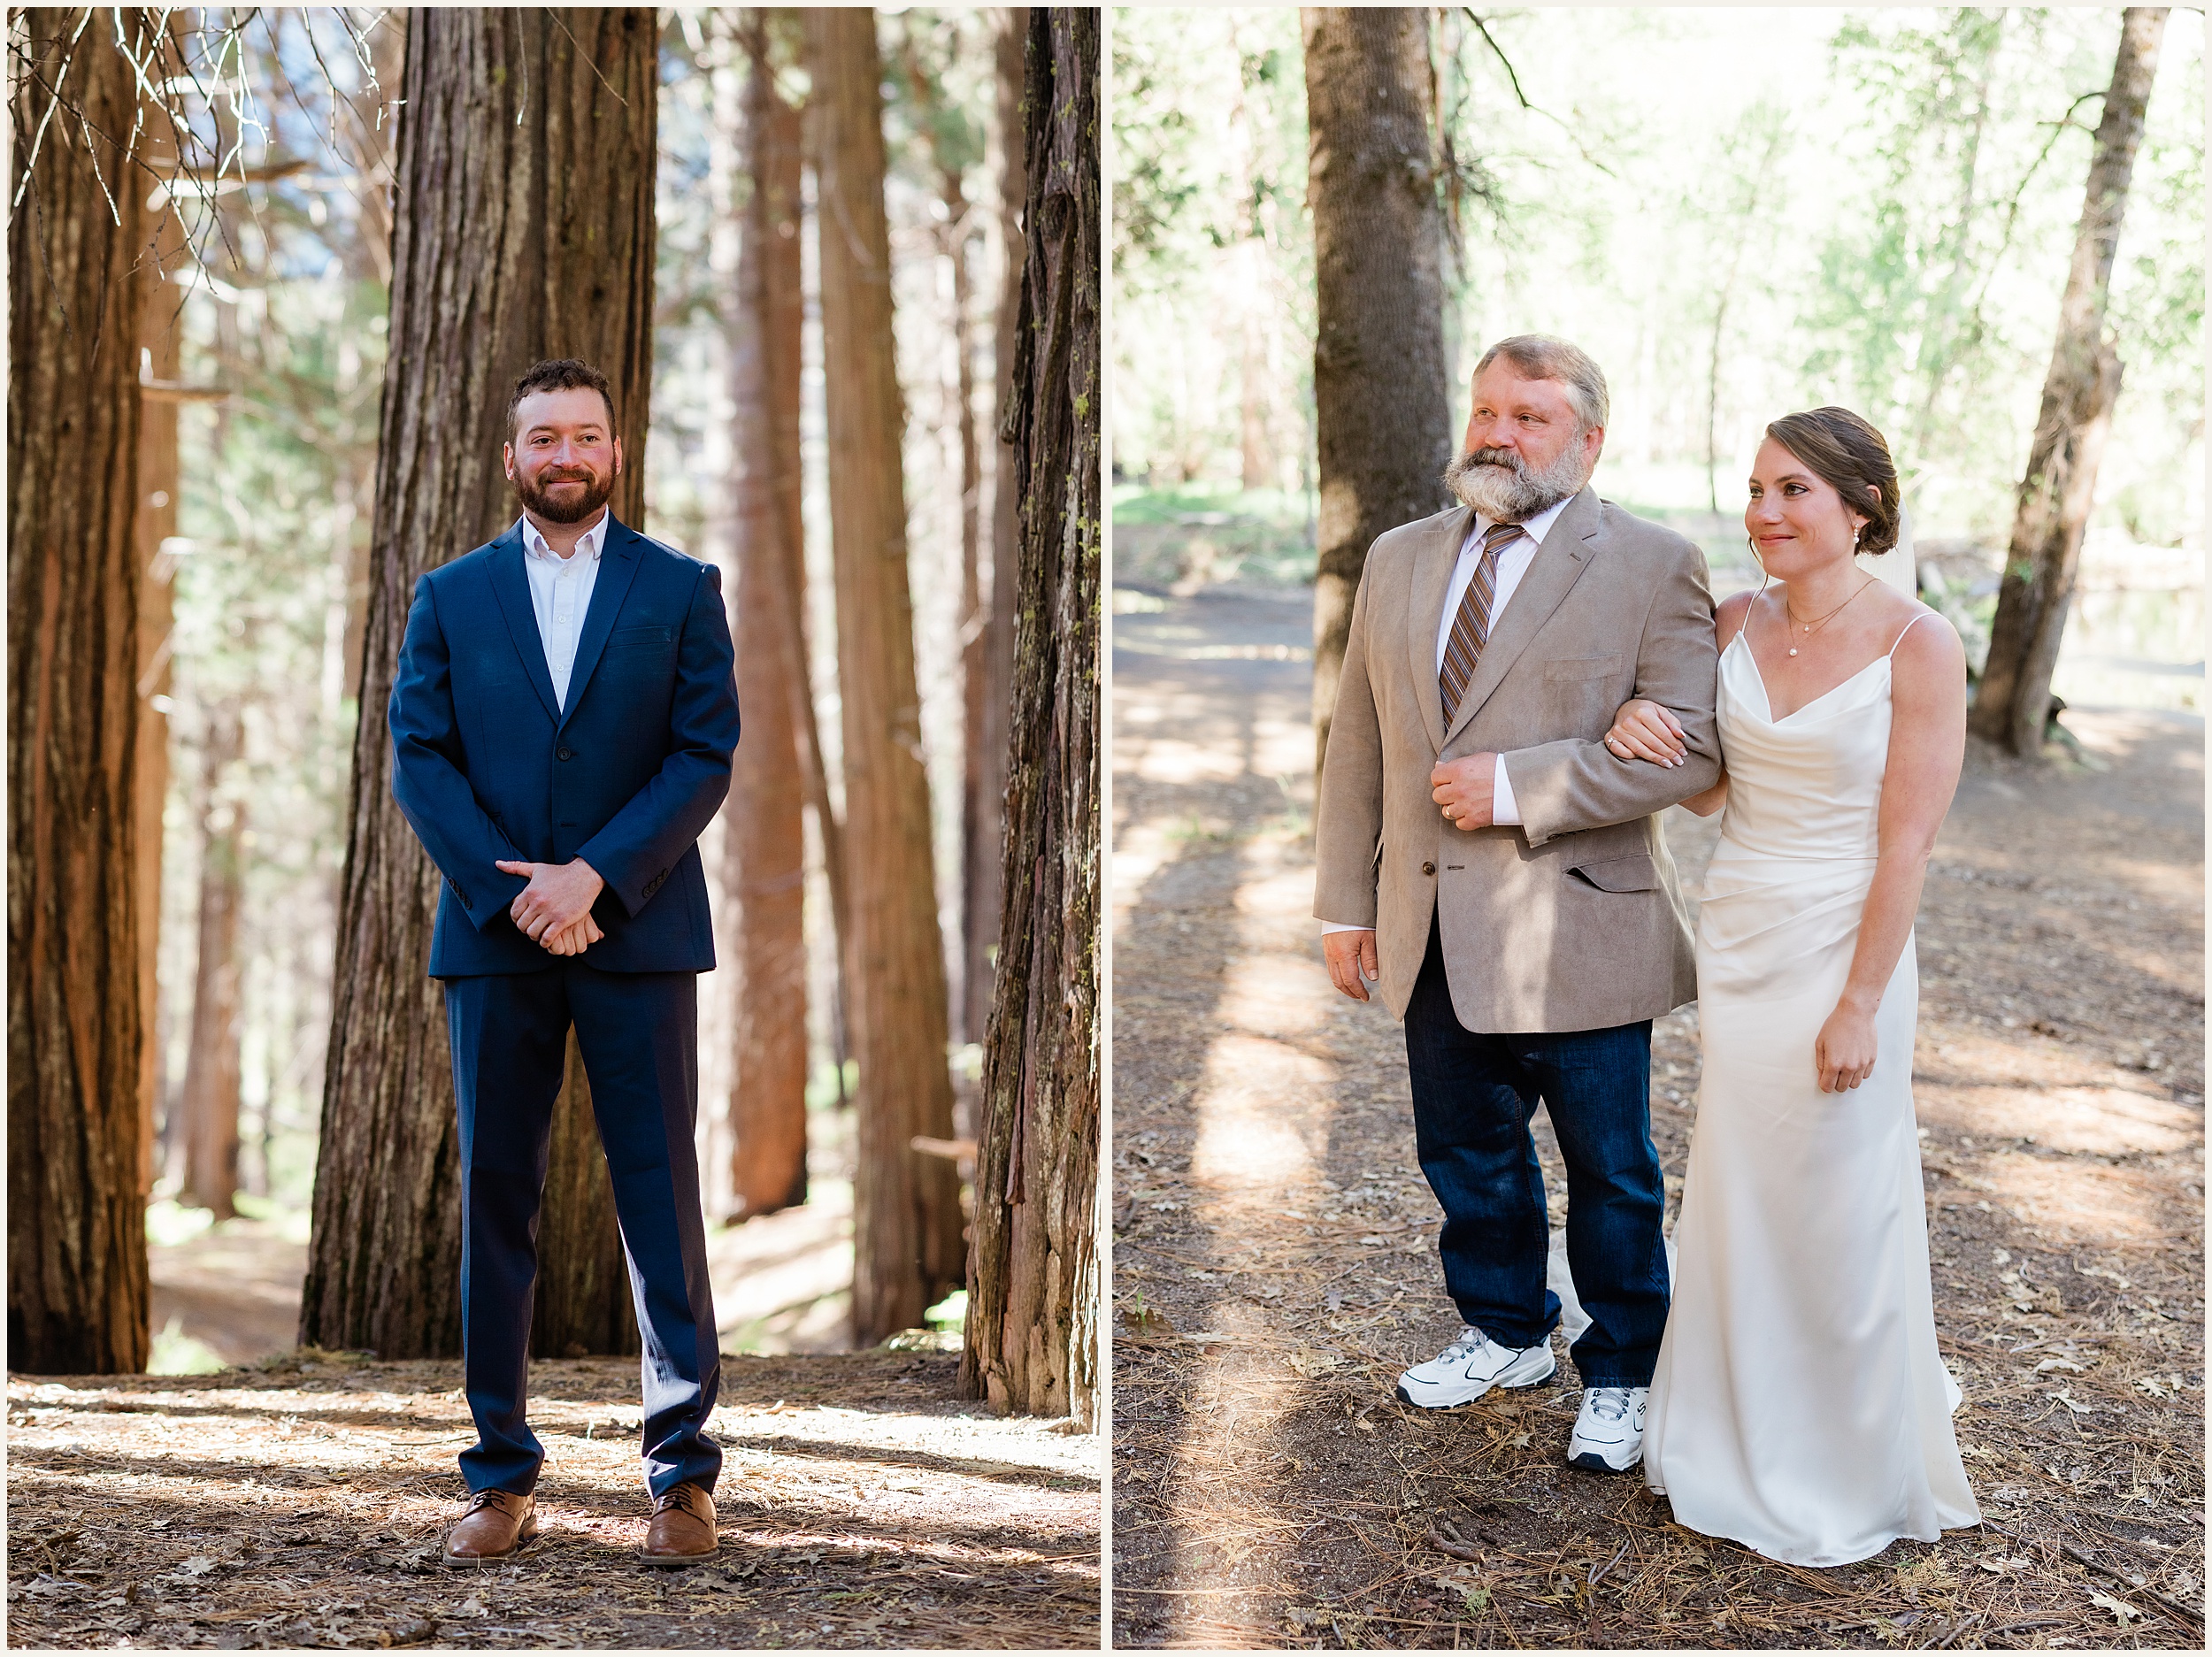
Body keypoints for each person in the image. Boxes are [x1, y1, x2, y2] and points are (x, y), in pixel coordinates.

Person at [1313, 334, 1721, 1474]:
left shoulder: (1650, 563)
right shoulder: (1397, 559)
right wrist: (1346, 902)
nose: (1498, 432)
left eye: (1530, 417)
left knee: (1611, 1169)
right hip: (1430, 922)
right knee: (1465, 1153)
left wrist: (1522, 784)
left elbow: (1688, 753)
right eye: (1488, 409)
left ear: (1589, 440)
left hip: (1582, 923)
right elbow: (1360, 744)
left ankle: (1626, 1369)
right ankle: (1505, 1330)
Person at [1604, 408, 1980, 1566]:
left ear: (1860, 510)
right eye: (1758, 489)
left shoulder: (1921, 644)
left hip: (1847, 940)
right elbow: (1715, 791)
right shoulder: (1727, 621)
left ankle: (1842, 1452)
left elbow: (1906, 844)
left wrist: (1861, 1001)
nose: (1764, 511)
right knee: (1741, 1180)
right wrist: (1641, 731)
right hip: (1747, 929)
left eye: (1794, 491)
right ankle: (1725, 1424)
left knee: (1839, 1190)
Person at [388, 357, 742, 1568]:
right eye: (544, 435)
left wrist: (594, 876)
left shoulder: (681, 588)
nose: (566, 454)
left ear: (615, 450)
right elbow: (418, 758)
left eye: (586, 434)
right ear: (511, 456)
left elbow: (704, 754)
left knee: (660, 1207)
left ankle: (682, 1481)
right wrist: (521, 892)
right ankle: (498, 1476)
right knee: (499, 1201)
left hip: (638, 934)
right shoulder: (449, 595)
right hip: (497, 943)